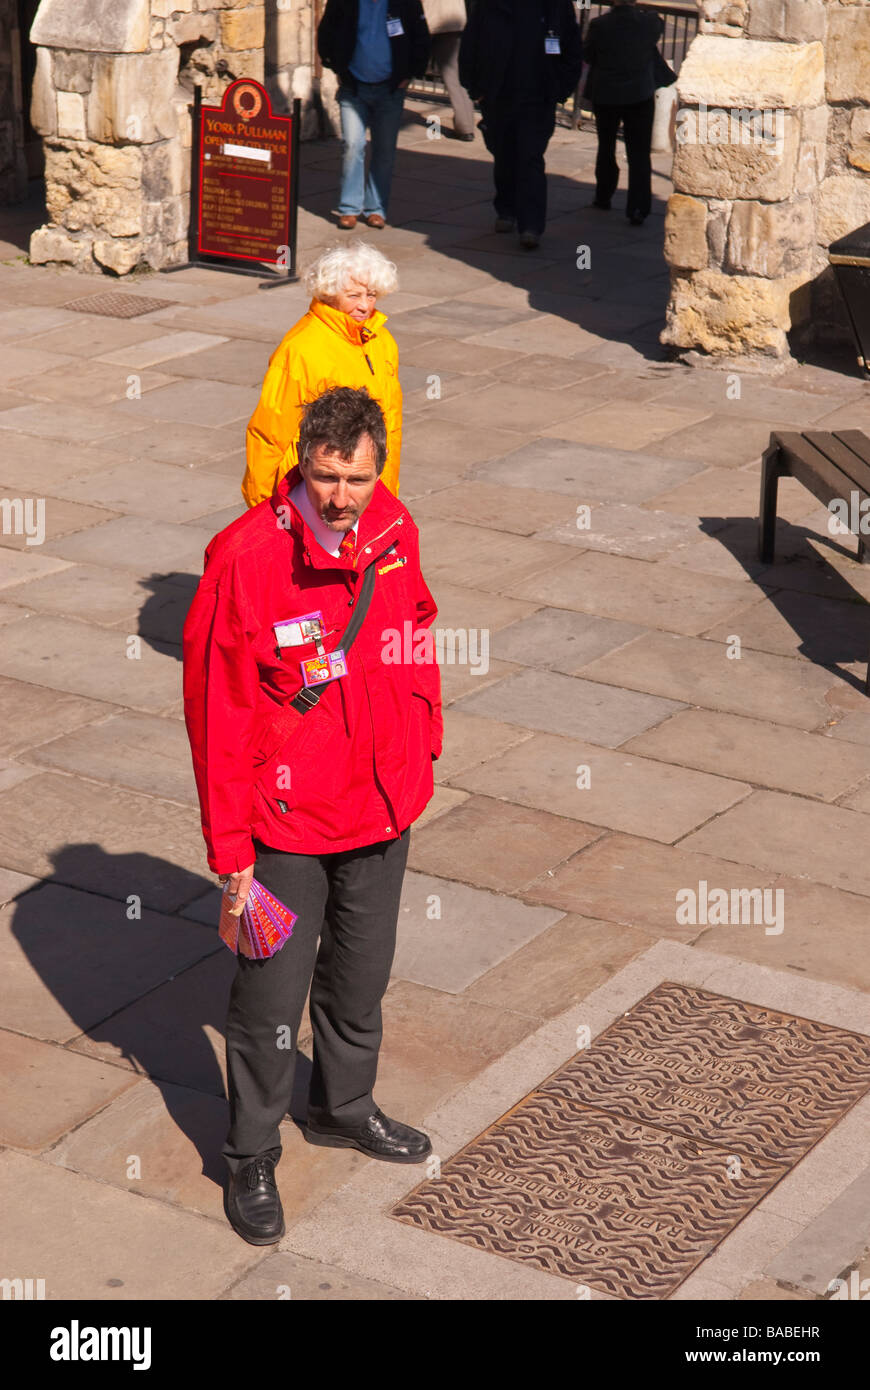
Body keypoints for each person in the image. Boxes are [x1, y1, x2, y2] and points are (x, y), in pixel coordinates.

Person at [183, 386, 443, 1246]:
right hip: (282, 823)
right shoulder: (245, 556)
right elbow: (218, 713)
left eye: (357, 478)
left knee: (362, 978)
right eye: (326, 477)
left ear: (379, 466)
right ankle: (250, 1154)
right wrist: (232, 850)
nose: (340, 496)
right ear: (303, 463)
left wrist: (423, 741)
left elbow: (416, 634)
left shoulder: (395, 532)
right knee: (268, 1000)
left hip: (380, 806)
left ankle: (343, 1106)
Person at [242, 242, 403, 507]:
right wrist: (262, 507)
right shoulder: (301, 349)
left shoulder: (382, 340)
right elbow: (269, 434)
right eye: (353, 296)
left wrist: (388, 490)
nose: (364, 305)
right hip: (318, 492)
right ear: (329, 292)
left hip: (368, 485)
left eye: (371, 295)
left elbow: (392, 424)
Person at [459, 0, 582, 249]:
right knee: (503, 154)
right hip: (498, 94)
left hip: (537, 97)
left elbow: (573, 48)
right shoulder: (489, 5)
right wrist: (475, 88)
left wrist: (559, 90)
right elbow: (471, 42)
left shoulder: (556, 6)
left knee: (530, 158)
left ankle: (531, 225)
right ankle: (506, 209)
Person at [318, 0, 430, 229]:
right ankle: (349, 208)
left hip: (390, 89)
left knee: (384, 150)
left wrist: (410, 73)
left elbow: (421, 36)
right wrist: (335, 65)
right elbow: (327, 30)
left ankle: (375, 208)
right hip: (354, 88)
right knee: (352, 145)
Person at [583, 0, 664, 226]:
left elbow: (588, 55)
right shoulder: (649, 23)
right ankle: (638, 207)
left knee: (606, 146)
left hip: (607, 94)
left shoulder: (600, 25)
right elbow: (658, 22)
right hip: (640, 94)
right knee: (639, 154)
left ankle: (603, 195)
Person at [422, 0, 476, 140]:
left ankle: (464, 127)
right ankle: (466, 125)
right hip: (455, 19)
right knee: (456, 76)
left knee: (407, 69)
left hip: (432, 19)